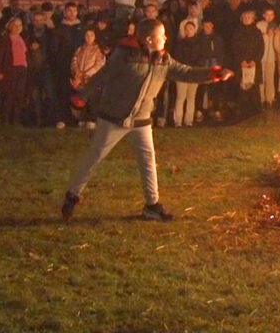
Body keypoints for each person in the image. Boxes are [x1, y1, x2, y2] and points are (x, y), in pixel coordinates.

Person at [60, 18, 233, 222]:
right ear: (149, 39)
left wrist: (214, 73)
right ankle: (72, 195)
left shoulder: (163, 60)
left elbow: (186, 72)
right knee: (94, 157)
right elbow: (102, 76)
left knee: (148, 160)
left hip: (141, 119)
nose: (166, 38)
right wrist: (81, 96)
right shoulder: (124, 56)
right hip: (115, 117)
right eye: (162, 35)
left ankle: (152, 205)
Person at [69, 27, 106, 128]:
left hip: (92, 79)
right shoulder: (80, 49)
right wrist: (77, 73)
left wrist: (87, 74)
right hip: (80, 78)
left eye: (91, 35)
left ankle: (92, 118)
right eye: (87, 35)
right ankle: (82, 118)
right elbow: (74, 61)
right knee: (81, 97)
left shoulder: (98, 50)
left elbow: (99, 64)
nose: (89, 37)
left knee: (92, 99)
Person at [0, 17, 29, 125]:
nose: (17, 28)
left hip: (22, 69)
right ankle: (5, 119)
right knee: (9, 95)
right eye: (14, 25)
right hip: (10, 69)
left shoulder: (22, 38)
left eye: (19, 25)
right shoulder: (5, 39)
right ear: (10, 27)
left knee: (19, 95)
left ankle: (16, 119)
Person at [171, 21, 202, 127]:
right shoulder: (180, 44)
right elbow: (177, 58)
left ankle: (188, 120)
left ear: (195, 30)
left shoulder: (199, 44)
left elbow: (200, 59)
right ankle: (178, 121)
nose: (189, 31)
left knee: (191, 97)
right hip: (182, 73)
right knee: (180, 97)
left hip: (194, 73)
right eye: (187, 29)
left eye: (191, 29)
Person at [256, 8, 278, 108]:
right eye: (267, 14)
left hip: (271, 56)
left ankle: (270, 98)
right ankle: (261, 97)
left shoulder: (275, 27)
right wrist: (266, 34)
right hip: (261, 56)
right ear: (264, 15)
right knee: (261, 78)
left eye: (271, 15)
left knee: (270, 77)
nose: (269, 17)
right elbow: (258, 38)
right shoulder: (259, 25)